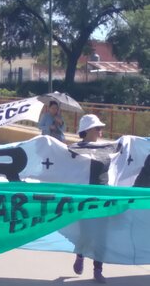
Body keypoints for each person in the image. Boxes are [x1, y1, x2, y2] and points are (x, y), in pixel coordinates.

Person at [71, 114, 107, 283]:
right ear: (86, 130)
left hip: (103, 198)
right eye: (97, 128)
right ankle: (80, 256)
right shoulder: (74, 149)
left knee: (102, 235)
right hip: (84, 200)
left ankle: (98, 270)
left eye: (101, 128)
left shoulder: (108, 148)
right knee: (86, 234)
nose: (101, 131)